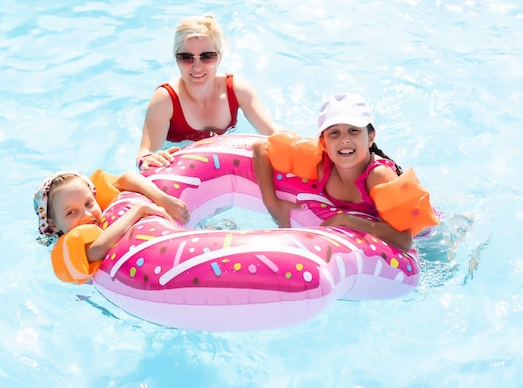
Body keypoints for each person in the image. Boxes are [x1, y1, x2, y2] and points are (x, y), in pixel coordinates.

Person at [252, 93, 414, 251]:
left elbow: (405, 240)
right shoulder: (322, 164)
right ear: (323, 142)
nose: (344, 139)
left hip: (426, 237)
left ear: (370, 137)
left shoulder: (378, 176)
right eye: (334, 133)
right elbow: (262, 148)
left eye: (353, 130)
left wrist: (346, 220)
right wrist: (272, 204)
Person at [137, 14, 278, 170]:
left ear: (220, 57)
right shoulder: (166, 99)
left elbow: (273, 134)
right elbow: (145, 153)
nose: (197, 67)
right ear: (176, 59)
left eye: (207, 57)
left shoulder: (237, 90)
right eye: (186, 57)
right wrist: (150, 158)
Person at [33, 170, 189, 264]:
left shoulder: (106, 209)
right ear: (54, 225)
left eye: (88, 203)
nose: (87, 215)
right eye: (71, 213)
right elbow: (95, 251)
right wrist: (138, 210)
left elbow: (125, 178)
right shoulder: (68, 244)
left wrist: (162, 199)